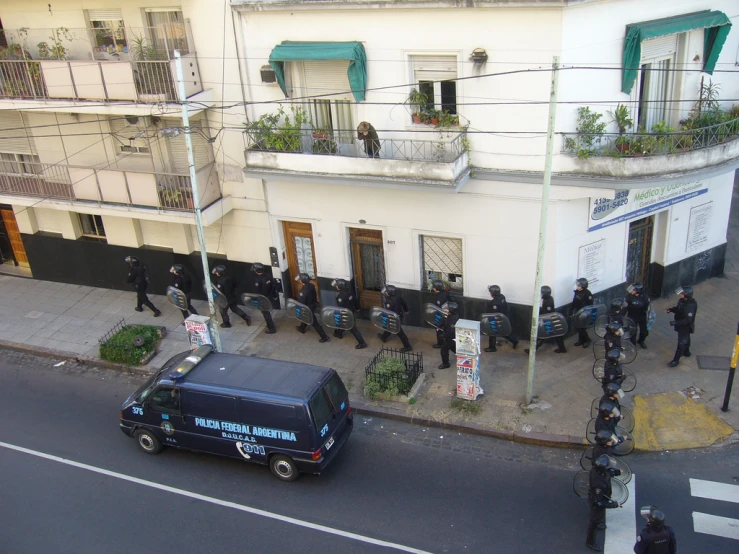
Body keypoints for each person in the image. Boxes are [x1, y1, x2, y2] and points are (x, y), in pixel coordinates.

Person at [587, 455, 622, 551]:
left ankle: (599, 522)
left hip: (603, 497)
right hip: (597, 504)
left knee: (599, 517)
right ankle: (590, 542)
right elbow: (600, 502)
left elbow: (607, 473)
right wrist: (614, 505)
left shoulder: (597, 470)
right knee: (594, 522)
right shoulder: (598, 484)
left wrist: (616, 472)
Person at [525, 286, 566, 354]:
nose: (540, 294)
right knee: (556, 335)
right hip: (549, 319)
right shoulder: (547, 299)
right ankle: (562, 348)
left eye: (541, 292)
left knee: (544, 336)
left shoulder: (548, 301)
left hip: (549, 320)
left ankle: (532, 351)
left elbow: (548, 312)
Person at [332, 278, 367, 349]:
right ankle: (339, 333)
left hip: (346, 314)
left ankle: (362, 343)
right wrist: (357, 308)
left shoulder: (340, 297)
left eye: (337, 285)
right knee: (342, 324)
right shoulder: (350, 292)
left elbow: (341, 308)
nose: (336, 287)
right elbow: (355, 301)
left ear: (339, 287)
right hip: (351, 311)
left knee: (353, 329)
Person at [667, 286, 697, 367]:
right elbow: (678, 308)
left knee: (681, 343)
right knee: (686, 339)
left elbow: (688, 320)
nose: (680, 295)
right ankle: (687, 352)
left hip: (685, 327)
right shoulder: (682, 301)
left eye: (682, 294)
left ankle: (675, 360)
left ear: (686, 295)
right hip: (680, 324)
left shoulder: (691, 306)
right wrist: (671, 310)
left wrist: (675, 323)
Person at [295, 273, 329, 343]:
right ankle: (302, 328)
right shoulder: (311, 285)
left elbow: (302, 302)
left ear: (302, 281)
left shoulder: (303, 291)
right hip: (313, 305)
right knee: (306, 317)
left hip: (308, 307)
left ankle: (324, 337)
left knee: (314, 323)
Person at [377, 285, 412, 352]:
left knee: (399, 332)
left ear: (389, 293)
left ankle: (408, 346)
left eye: (386, 291)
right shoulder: (398, 296)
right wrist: (406, 310)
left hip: (394, 318)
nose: (386, 292)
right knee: (390, 327)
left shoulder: (389, 302)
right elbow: (404, 303)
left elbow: (387, 312)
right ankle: (384, 337)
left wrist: (384, 320)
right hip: (399, 315)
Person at [484, 285, 518, 352]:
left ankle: (492, 347)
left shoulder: (493, 303)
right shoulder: (502, 297)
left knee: (492, 333)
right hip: (504, 317)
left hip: (497, 319)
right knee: (502, 332)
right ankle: (514, 340)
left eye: (490, 292)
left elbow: (492, 314)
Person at [252, 263, 277, 334]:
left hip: (262, 299)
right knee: (267, 313)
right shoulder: (268, 276)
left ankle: (271, 328)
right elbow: (273, 286)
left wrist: (255, 300)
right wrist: (274, 296)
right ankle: (269, 324)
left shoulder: (258, 280)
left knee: (266, 314)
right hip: (268, 297)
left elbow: (257, 292)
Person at [626, 283, 650, 348]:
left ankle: (641, 341)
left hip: (641, 316)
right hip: (632, 316)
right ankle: (632, 344)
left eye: (633, 290)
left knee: (644, 332)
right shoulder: (629, 297)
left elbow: (647, 306)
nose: (631, 291)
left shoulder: (644, 297)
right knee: (633, 331)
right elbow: (625, 307)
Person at [572, 278, 594, 348]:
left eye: (579, 286)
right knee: (579, 327)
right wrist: (572, 310)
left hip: (584, 312)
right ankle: (581, 340)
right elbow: (574, 302)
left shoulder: (588, 293)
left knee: (582, 328)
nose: (577, 287)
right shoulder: (577, 292)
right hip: (578, 311)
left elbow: (590, 305)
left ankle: (587, 340)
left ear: (583, 286)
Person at [431, 280, 453, 349]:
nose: (433, 288)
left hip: (441, 315)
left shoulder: (440, 297)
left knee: (439, 328)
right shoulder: (444, 293)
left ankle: (440, 343)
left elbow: (439, 308)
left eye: (434, 287)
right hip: (447, 314)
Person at [438, 302, 460, 369]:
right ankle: (462, 355)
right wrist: (440, 327)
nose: (445, 310)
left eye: (447, 309)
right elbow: (444, 322)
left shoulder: (453, 319)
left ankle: (446, 364)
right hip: (450, 337)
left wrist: (444, 335)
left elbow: (451, 330)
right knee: (453, 348)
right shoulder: (450, 315)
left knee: (444, 350)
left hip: (450, 337)